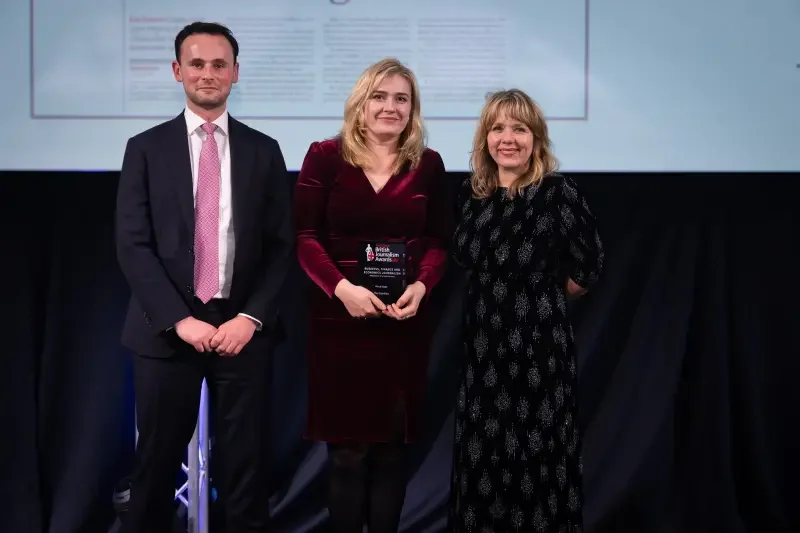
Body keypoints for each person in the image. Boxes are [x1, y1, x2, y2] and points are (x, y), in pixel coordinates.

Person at [115, 21, 292, 533]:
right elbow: (133, 244)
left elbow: (281, 247)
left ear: (236, 73)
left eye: (219, 64)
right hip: (166, 330)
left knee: (246, 472)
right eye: (197, 63)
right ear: (177, 71)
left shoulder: (265, 150)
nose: (208, 73)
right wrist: (179, 320)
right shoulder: (144, 148)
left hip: (243, 329)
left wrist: (251, 317)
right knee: (153, 467)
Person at [293, 58, 451, 533]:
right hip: (340, 323)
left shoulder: (428, 164)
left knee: (389, 454)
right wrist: (342, 289)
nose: (390, 107)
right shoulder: (324, 156)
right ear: (360, 104)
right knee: (346, 455)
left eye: (401, 98)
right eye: (379, 97)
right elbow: (304, 237)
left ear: (413, 108)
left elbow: (441, 242)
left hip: (401, 326)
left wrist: (422, 286)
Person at [448, 89, 604, 532]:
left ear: (536, 138)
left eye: (519, 128)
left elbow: (589, 264)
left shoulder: (557, 192)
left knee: (538, 457)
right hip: (482, 352)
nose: (508, 138)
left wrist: (543, 299)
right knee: (483, 458)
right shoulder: (471, 194)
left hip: (540, 351)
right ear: (485, 138)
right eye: (498, 128)